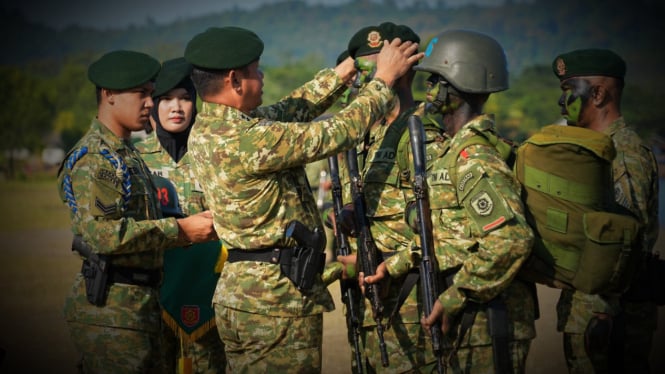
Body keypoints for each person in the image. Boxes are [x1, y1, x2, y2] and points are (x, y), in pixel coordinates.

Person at [183, 26, 422, 372]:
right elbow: (335, 133)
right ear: (234, 80)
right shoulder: (247, 139)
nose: (262, 76)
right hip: (275, 300)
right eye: (255, 70)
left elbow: (291, 109)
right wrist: (382, 80)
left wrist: (344, 72)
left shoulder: (212, 128)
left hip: (244, 293)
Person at [364, 29, 537, 373]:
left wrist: (457, 296)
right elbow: (450, 237)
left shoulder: (475, 158)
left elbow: (512, 241)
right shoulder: (451, 153)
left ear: (455, 89)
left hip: (488, 323)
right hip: (469, 323)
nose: (425, 91)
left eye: (434, 82)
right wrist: (396, 265)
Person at [57, 50, 218, 373]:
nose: (150, 102)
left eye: (150, 93)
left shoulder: (125, 155)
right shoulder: (97, 158)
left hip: (140, 307)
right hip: (113, 312)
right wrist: (182, 230)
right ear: (110, 95)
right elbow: (104, 235)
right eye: (142, 94)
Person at [334, 21, 447, 372]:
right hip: (372, 300)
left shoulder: (426, 131)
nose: (373, 79)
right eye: (366, 71)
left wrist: (394, 262)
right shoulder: (363, 136)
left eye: (383, 67)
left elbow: (446, 227)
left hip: (415, 300)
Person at [552, 48, 660, 374]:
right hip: (594, 312)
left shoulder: (622, 153)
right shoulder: (598, 149)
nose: (563, 101)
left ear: (598, 94)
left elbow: (624, 243)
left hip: (608, 316)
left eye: (570, 90)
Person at [134, 57, 226, 373]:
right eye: (168, 98)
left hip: (207, 290)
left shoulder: (212, 154)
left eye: (185, 98)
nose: (177, 107)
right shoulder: (135, 158)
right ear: (154, 104)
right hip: (152, 293)